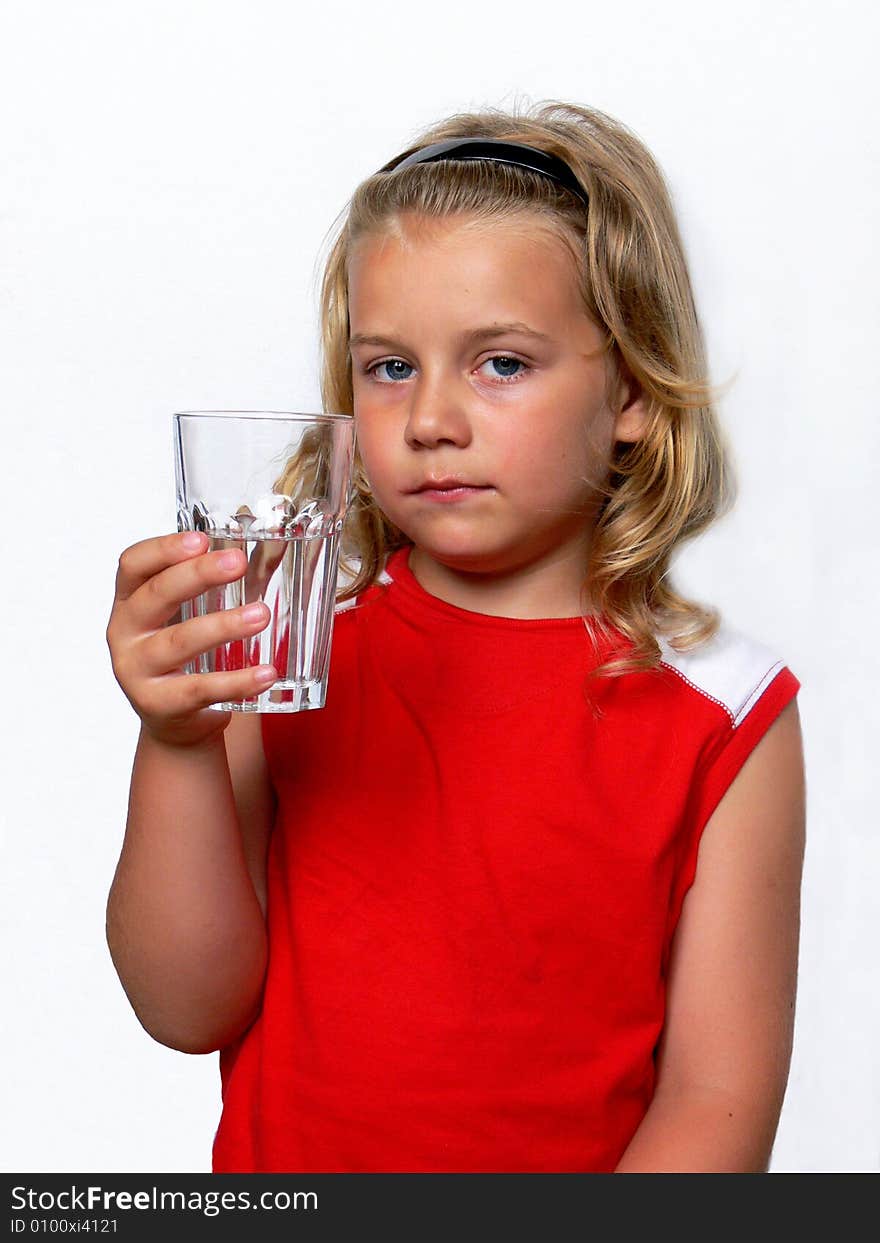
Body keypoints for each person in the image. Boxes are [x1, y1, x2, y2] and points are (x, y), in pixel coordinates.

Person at [105, 100, 806, 1174]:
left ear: (630, 388)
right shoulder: (284, 655)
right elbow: (185, 1004)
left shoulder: (724, 710)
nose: (430, 417)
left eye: (502, 363)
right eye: (390, 368)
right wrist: (178, 742)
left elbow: (714, 1102)